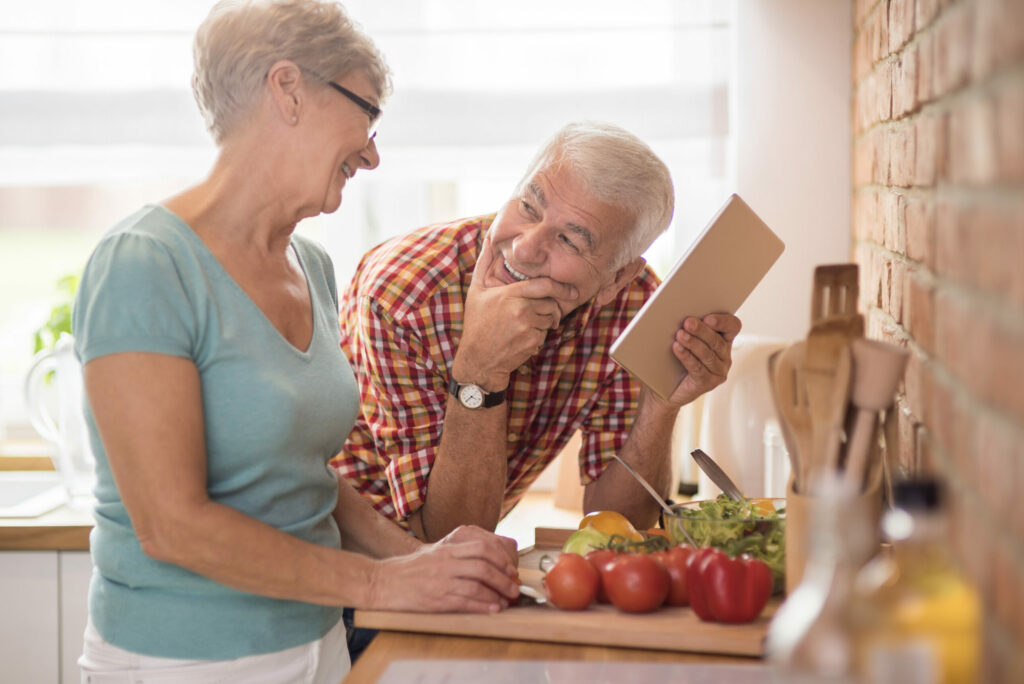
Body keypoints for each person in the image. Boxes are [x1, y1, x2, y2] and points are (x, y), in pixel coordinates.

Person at [71, 2, 519, 682]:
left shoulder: (311, 267)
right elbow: (171, 524)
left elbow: (303, 475)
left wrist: (412, 561)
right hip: (183, 661)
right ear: (288, 90)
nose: (373, 151)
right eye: (366, 113)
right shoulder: (145, 263)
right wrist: (382, 588)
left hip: (316, 643)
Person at [333, 121, 742, 543]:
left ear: (616, 279)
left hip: (458, 567)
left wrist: (660, 404)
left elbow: (619, 527)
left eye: (570, 240)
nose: (525, 248)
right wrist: (479, 370)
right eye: (529, 207)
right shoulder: (403, 295)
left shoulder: (633, 305)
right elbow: (445, 536)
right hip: (342, 550)